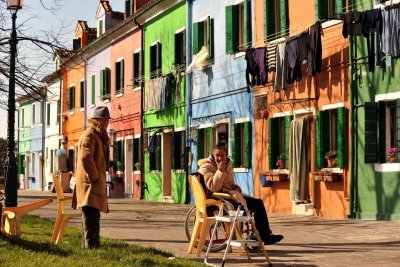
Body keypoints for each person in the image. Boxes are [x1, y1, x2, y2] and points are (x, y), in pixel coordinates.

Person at [198, 142, 284, 245]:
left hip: (229, 196)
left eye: (222, 155)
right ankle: (264, 236)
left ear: (226, 156)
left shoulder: (227, 164)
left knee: (258, 203)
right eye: (217, 155)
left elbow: (228, 184)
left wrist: (235, 187)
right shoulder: (207, 167)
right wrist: (220, 170)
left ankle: (263, 235)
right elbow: (213, 187)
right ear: (212, 155)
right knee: (255, 205)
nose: (220, 158)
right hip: (219, 200)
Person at [75, 106, 110, 249]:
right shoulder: (90, 134)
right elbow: (86, 158)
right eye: (104, 120)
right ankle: (91, 246)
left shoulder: (97, 135)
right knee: (90, 216)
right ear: (97, 121)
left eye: (107, 120)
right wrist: (95, 177)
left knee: (93, 215)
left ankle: (92, 245)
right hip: (90, 184)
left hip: (93, 183)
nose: (106, 123)